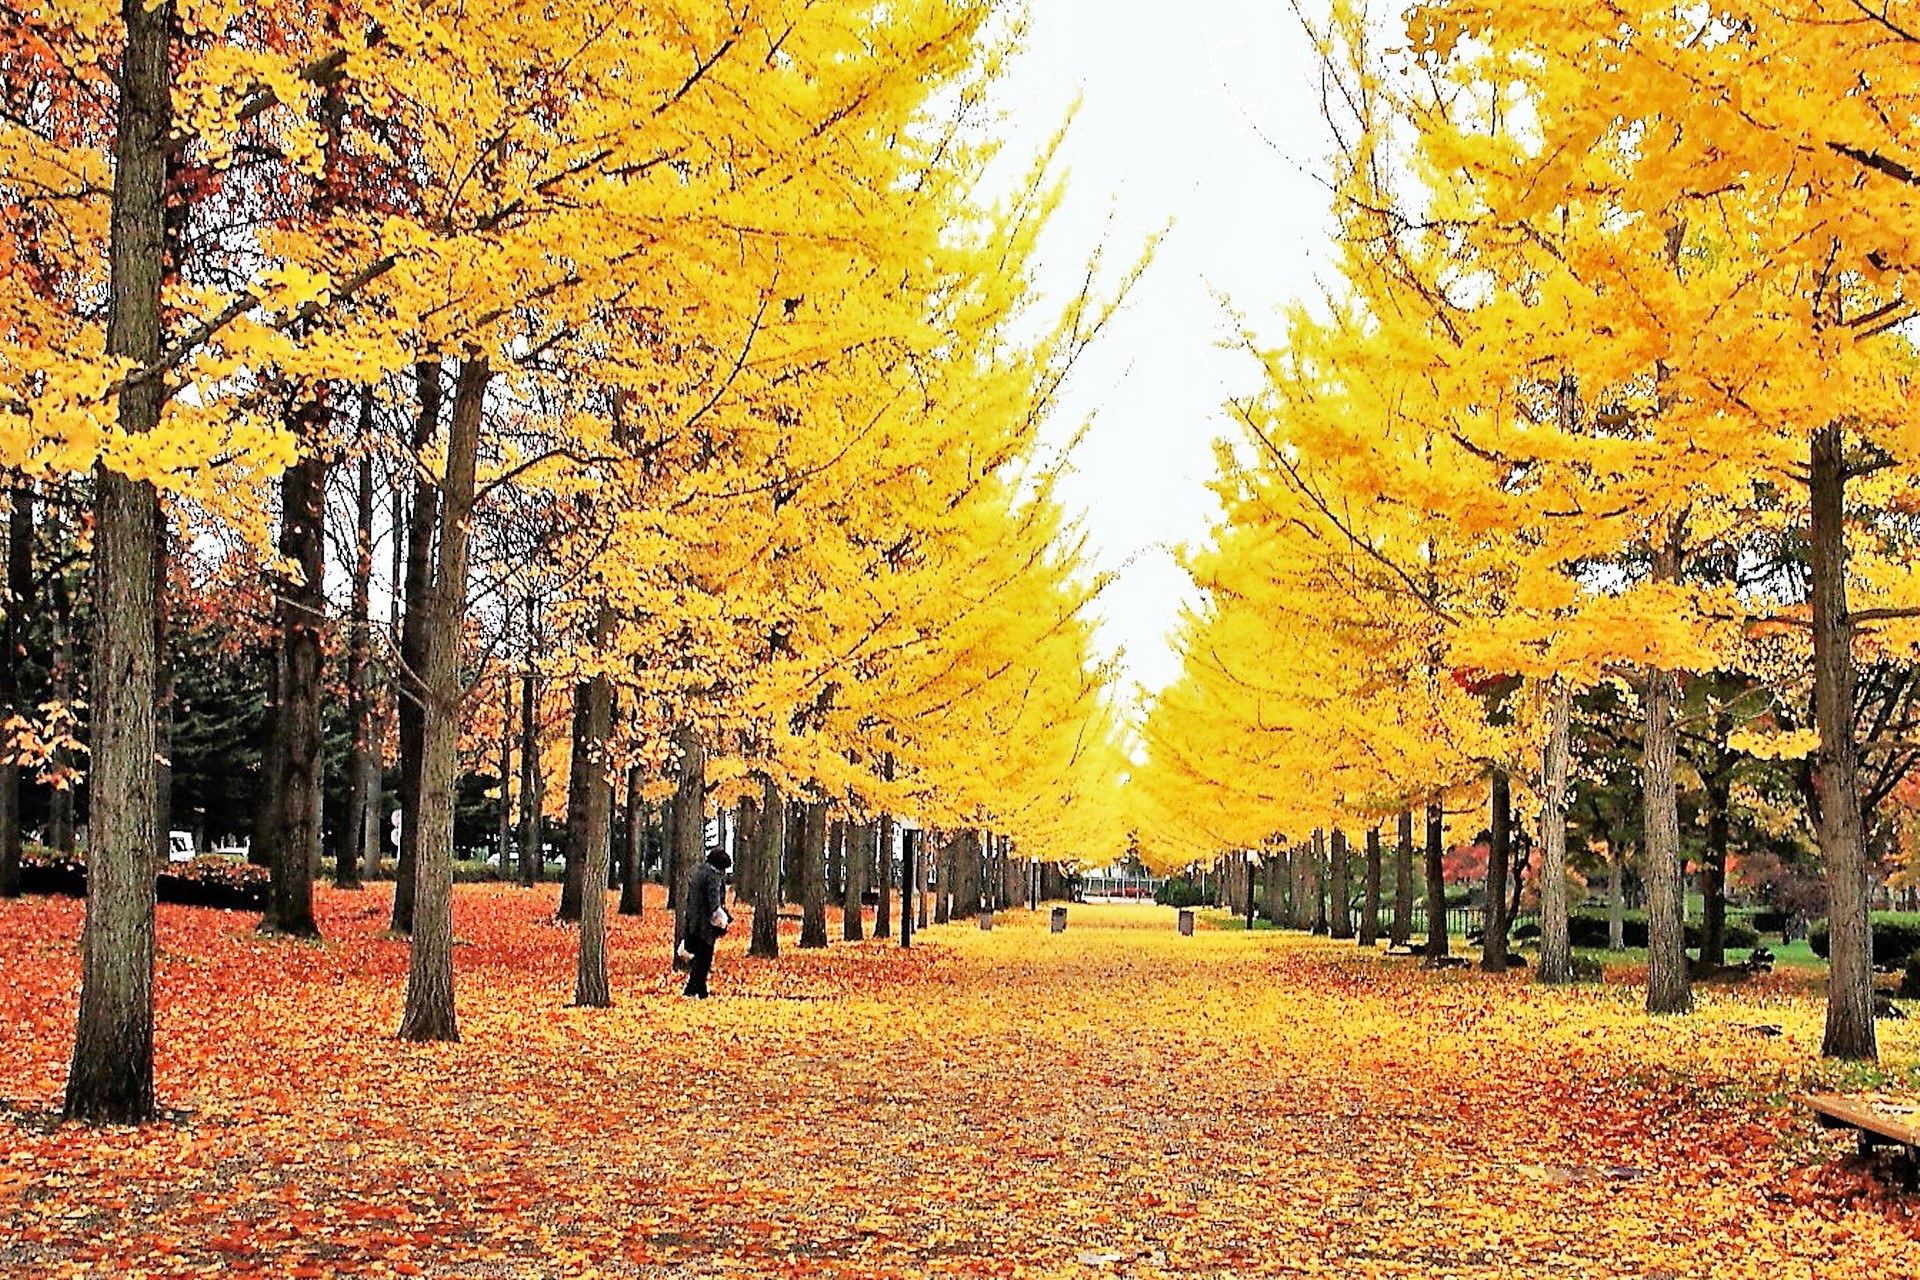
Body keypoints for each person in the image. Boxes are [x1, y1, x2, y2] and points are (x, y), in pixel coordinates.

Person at [682, 845, 731, 998]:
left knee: (700, 957)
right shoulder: (713, 876)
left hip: (694, 920)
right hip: (705, 924)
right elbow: (713, 901)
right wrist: (722, 919)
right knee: (704, 959)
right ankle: (691, 990)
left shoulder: (698, 872)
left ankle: (701, 991)